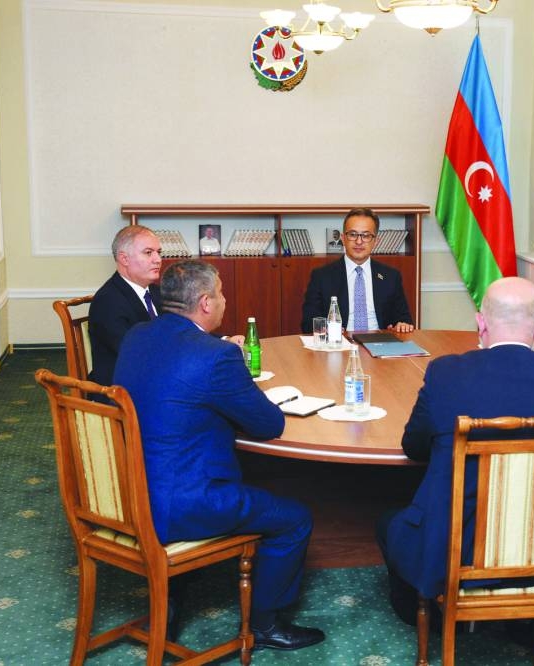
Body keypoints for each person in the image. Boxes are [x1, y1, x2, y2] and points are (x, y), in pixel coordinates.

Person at [113, 260, 324, 651]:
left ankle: (173, 595)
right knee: (296, 518)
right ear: (206, 303)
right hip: (181, 503)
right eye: (222, 293)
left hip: (126, 492)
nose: (225, 301)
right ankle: (266, 624)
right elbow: (268, 425)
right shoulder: (215, 357)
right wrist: (236, 371)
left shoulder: (137, 336)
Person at [377, 277, 534, 637]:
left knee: (389, 523)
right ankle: (530, 621)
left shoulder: (447, 373)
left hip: (454, 551)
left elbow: (414, 447)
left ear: (481, 322)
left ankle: (421, 612)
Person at [301, 207, 414, 333]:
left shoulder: (391, 276)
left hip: (381, 341)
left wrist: (402, 325)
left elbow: (404, 319)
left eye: (366, 235)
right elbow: (309, 323)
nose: (359, 241)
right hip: (340, 342)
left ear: (375, 241)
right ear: (343, 238)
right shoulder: (322, 277)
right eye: (353, 234)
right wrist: (328, 329)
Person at [88, 226, 163, 388]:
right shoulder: (107, 301)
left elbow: (184, 327)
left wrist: (224, 340)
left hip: (155, 376)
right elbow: (135, 353)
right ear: (124, 259)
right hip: (122, 392)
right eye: (148, 252)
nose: (158, 259)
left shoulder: (157, 292)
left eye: (159, 252)